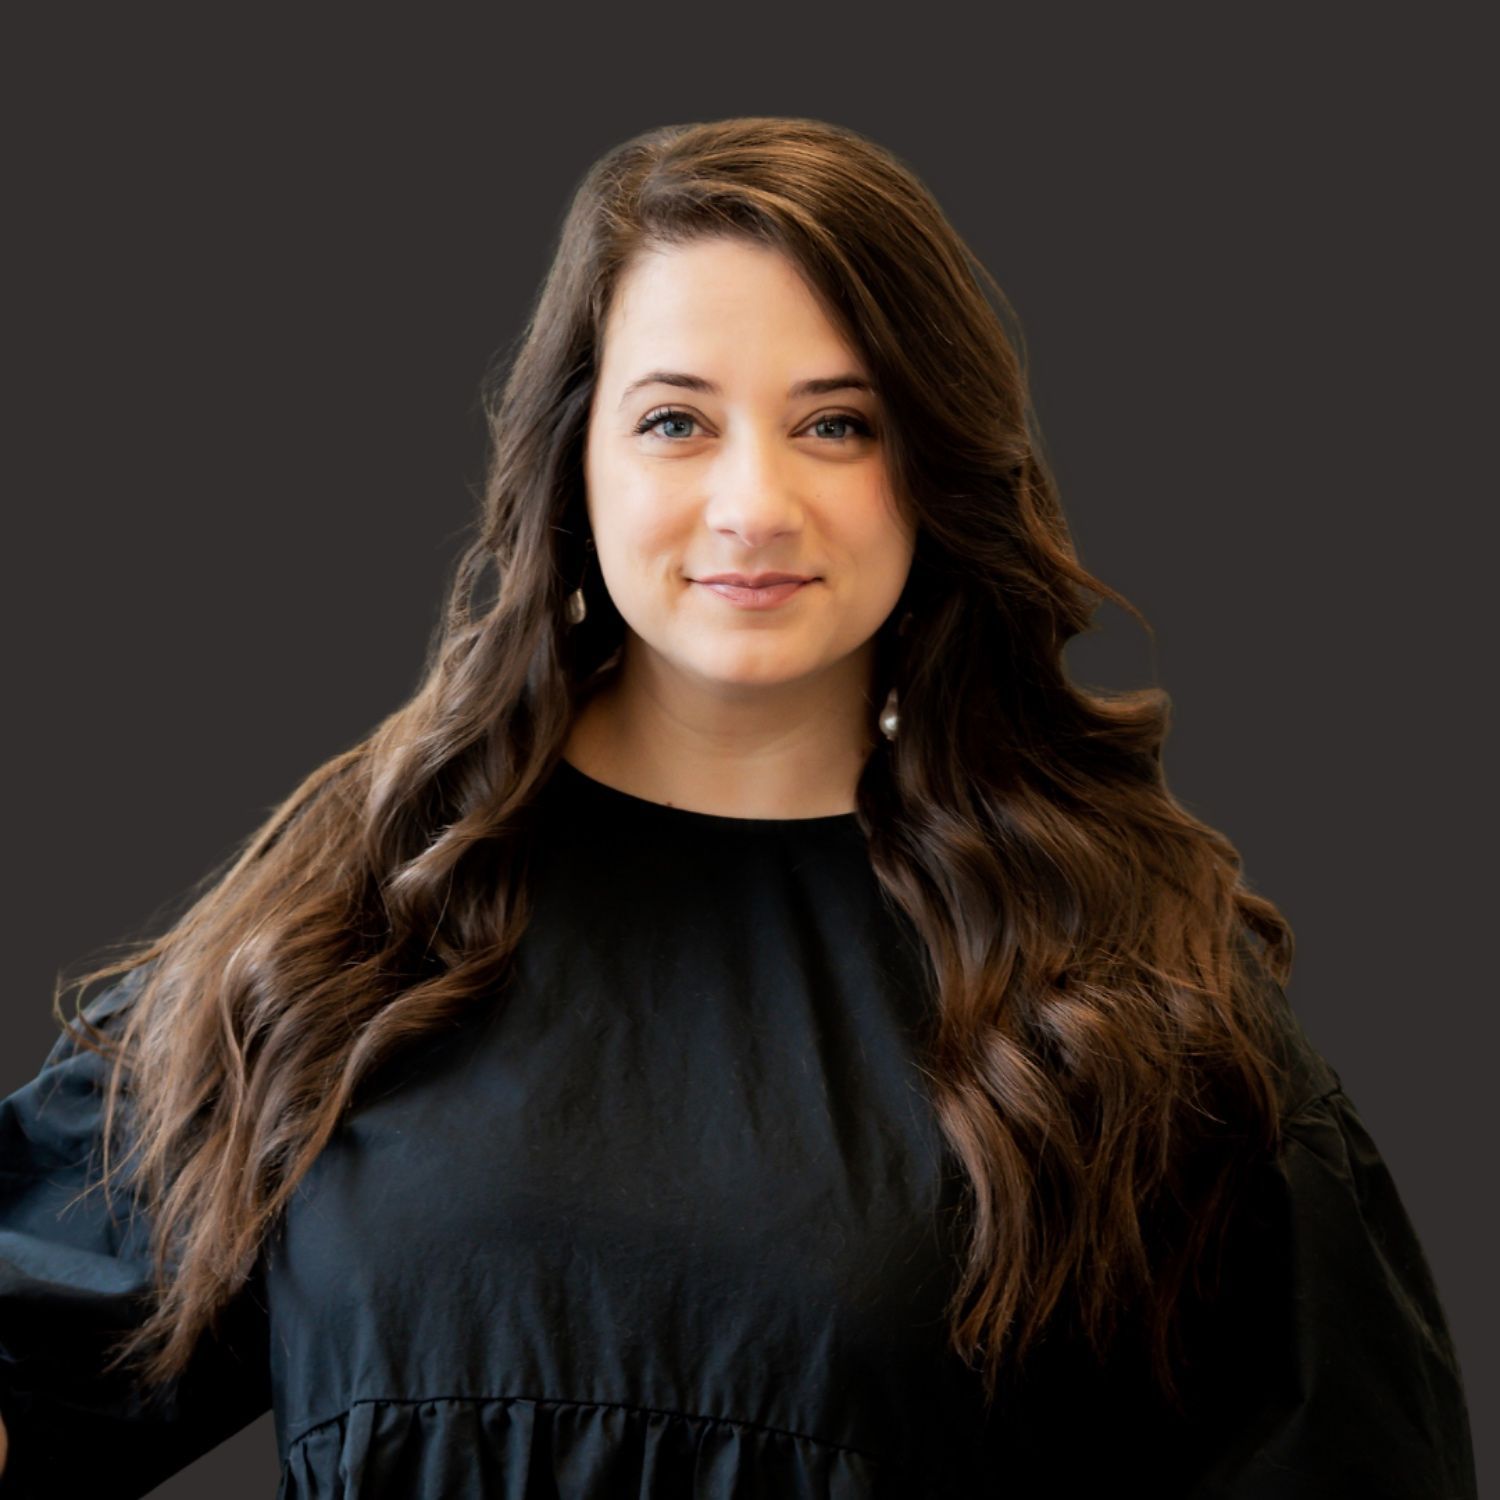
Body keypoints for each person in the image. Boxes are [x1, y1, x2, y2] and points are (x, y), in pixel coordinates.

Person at [0, 116, 1477, 1498]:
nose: (756, 504)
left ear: (935, 469)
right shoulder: (344, 932)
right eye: (675, 421)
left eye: (838, 424)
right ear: (573, 463)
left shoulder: (1126, 1004)